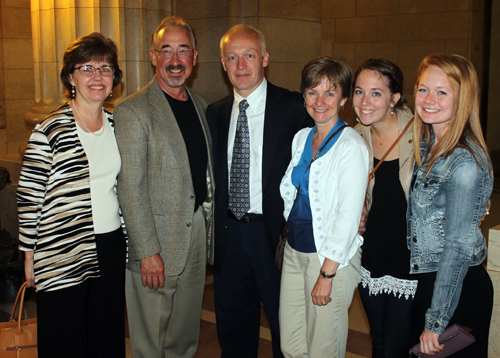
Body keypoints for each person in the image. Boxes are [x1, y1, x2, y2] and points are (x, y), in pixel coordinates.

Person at [17, 33, 126, 358]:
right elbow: (29, 196)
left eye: (105, 69)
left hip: (109, 246)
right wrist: (28, 255)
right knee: (65, 339)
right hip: (62, 247)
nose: (97, 77)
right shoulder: (49, 129)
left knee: (106, 335)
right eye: (87, 68)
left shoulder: (117, 125)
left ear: (114, 78)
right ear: (70, 77)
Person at [206, 24, 312, 357]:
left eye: (249, 55)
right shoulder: (216, 112)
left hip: (276, 237)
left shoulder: (295, 108)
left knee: (288, 330)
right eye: (232, 57)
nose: (240, 65)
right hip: (230, 237)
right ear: (223, 64)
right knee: (234, 329)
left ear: (264, 58)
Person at [113, 16, 214, 358]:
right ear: (154, 57)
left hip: (195, 232)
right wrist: (147, 251)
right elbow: (130, 187)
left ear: (195, 57)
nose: (175, 59)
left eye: (182, 50)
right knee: (150, 342)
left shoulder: (202, 106)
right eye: (166, 50)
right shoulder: (133, 111)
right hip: (155, 240)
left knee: (184, 336)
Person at [278, 56, 369, 358]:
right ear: (303, 95)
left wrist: (327, 275)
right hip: (294, 252)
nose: (320, 101)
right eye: (313, 91)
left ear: (343, 98)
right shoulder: (302, 137)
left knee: (323, 348)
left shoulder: (351, 145)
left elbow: (348, 215)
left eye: (330, 93)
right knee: (291, 344)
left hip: (329, 260)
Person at [408, 54, 493, 357]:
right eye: (422, 89)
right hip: (431, 280)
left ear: (463, 98)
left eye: (442, 92)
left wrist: (437, 320)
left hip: (456, 288)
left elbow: (457, 248)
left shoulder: (464, 162)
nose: (429, 99)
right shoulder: (427, 144)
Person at [352, 59, 417, 358]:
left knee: (397, 346)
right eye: (359, 91)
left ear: (395, 98)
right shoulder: (355, 136)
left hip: (409, 259)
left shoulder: (422, 135)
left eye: (376, 93)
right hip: (372, 255)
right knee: (378, 340)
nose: (365, 102)